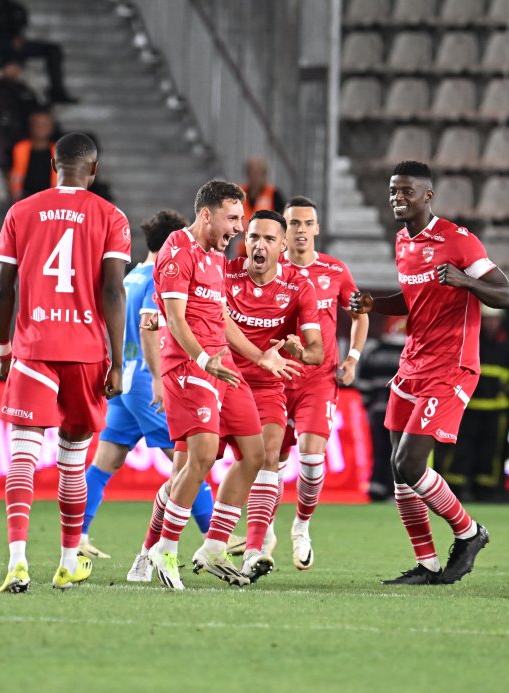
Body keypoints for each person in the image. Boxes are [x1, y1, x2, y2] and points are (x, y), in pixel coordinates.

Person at [350, 160, 509, 585]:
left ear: (428, 195)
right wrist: (373, 304)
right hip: (413, 362)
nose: (397, 198)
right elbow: (413, 301)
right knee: (397, 466)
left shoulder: (458, 240)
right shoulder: (403, 243)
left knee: (410, 465)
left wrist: (466, 281)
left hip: (451, 366)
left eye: (406, 191)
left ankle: (469, 532)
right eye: (393, 191)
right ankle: (426, 564)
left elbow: (506, 295)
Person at [143, 179, 300, 591]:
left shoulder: (214, 256)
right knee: (202, 457)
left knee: (256, 452)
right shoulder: (177, 249)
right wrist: (202, 359)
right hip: (188, 366)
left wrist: (259, 355)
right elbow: (175, 319)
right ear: (206, 214)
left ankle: (213, 547)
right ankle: (164, 548)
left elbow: (220, 318)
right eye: (233, 219)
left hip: (222, 365)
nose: (238, 229)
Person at [0, 131, 130, 593]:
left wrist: (3, 349)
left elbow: (1, 290)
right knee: (72, 465)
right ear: (94, 169)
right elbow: (113, 290)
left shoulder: (21, 211)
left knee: (23, 456)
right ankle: (69, 560)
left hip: (33, 348)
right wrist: (115, 360)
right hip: (86, 352)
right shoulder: (111, 216)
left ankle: (17, 560)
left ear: (53, 165)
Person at [77, 210, 229, 562]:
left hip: (124, 381)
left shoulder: (131, 277)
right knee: (191, 460)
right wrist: (160, 380)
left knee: (106, 461)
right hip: (148, 380)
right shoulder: (159, 279)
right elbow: (153, 325)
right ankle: (215, 535)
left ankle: (78, 533)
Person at [257, 195, 369, 571]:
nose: (300, 230)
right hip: (275, 378)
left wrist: (352, 358)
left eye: (307, 223)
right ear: (283, 231)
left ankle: (301, 527)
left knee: (311, 460)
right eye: (293, 224)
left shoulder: (334, 270)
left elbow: (359, 314)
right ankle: (265, 528)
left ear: (317, 228)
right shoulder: (270, 269)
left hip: (318, 379)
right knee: (272, 459)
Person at [224, 209, 324, 580]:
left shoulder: (299, 286)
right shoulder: (225, 273)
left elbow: (317, 352)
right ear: (244, 240)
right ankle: (154, 549)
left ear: (283, 246)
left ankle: (254, 551)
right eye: (253, 237)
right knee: (189, 464)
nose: (259, 245)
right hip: (222, 378)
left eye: (268, 239)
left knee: (267, 455)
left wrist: (300, 350)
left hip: (266, 384)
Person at [434, 305, 509, 501]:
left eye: (494, 319)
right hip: (468, 408)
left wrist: (507, 389)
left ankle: (485, 491)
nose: (491, 323)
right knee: (460, 450)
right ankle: (453, 488)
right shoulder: (470, 343)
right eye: (487, 319)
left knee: (491, 453)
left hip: (496, 409)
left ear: (500, 321)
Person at [357, 317, 408, 500]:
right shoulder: (410, 352)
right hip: (403, 412)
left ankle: (376, 487)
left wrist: (369, 406)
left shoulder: (374, 351)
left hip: (377, 410)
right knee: (400, 452)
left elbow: (363, 386)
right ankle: (396, 490)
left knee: (379, 450)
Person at [234, 157, 285, 257]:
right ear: (247, 174)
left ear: (265, 175)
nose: (255, 176)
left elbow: (283, 223)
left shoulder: (274, 194)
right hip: (242, 253)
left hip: (266, 253)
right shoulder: (237, 193)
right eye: (252, 172)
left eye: (259, 173)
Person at [9, 108, 56, 200]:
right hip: (24, 198)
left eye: (45, 125)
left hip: (51, 199)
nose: (41, 128)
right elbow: (14, 175)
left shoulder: (58, 151)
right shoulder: (20, 148)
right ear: (31, 126)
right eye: (37, 124)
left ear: (52, 128)